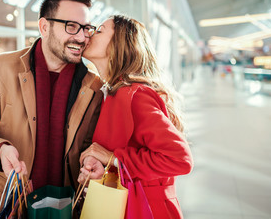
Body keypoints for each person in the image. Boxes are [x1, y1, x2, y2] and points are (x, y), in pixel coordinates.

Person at [0, 0, 104, 218]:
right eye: (71, 26)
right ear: (44, 27)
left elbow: (87, 144)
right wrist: (0, 149)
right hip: (3, 199)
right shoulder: (1, 67)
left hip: (65, 206)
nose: (81, 37)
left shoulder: (93, 84)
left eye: (86, 28)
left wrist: (90, 160)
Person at [78, 15, 194, 219]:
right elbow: (130, 151)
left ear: (118, 44)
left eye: (99, 30)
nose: (89, 33)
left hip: (148, 210)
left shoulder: (134, 96)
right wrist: (105, 166)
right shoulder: (112, 93)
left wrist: (113, 158)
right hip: (127, 206)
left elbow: (179, 159)